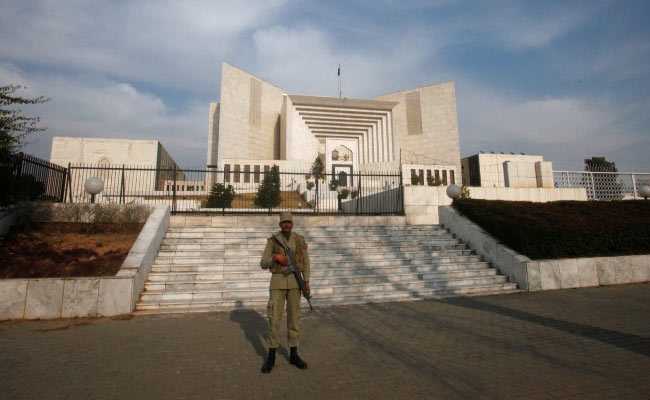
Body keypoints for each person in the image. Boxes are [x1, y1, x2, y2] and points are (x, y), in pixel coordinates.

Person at [259, 212, 310, 373]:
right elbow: (263, 263)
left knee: (294, 319)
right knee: (274, 319)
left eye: (289, 222)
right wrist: (275, 257)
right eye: (284, 222)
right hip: (278, 282)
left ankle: (294, 354)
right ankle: (271, 356)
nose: (286, 225)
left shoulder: (299, 239)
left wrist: (306, 281)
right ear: (280, 224)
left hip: (295, 283)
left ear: (292, 223)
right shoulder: (273, 240)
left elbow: (306, 262)